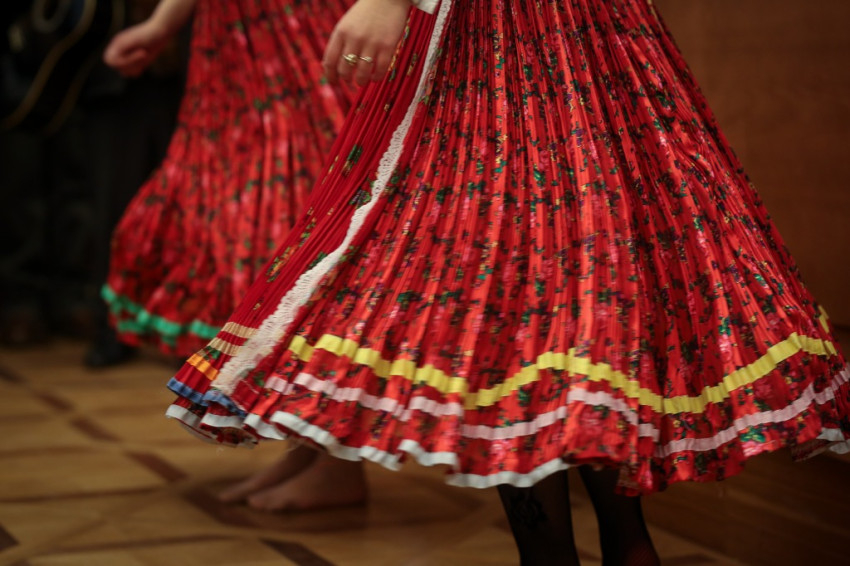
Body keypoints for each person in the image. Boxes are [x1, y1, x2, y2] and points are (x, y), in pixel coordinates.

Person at [165, 0, 850, 564]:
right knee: (573, 277)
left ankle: (566, 554)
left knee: (514, 287)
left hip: (507, 34)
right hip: (582, 30)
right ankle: (620, 546)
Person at [101, 0, 365, 511]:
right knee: (243, 222)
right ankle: (308, 448)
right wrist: (162, 23)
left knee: (302, 222)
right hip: (236, 46)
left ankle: (336, 459)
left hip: (292, 29)